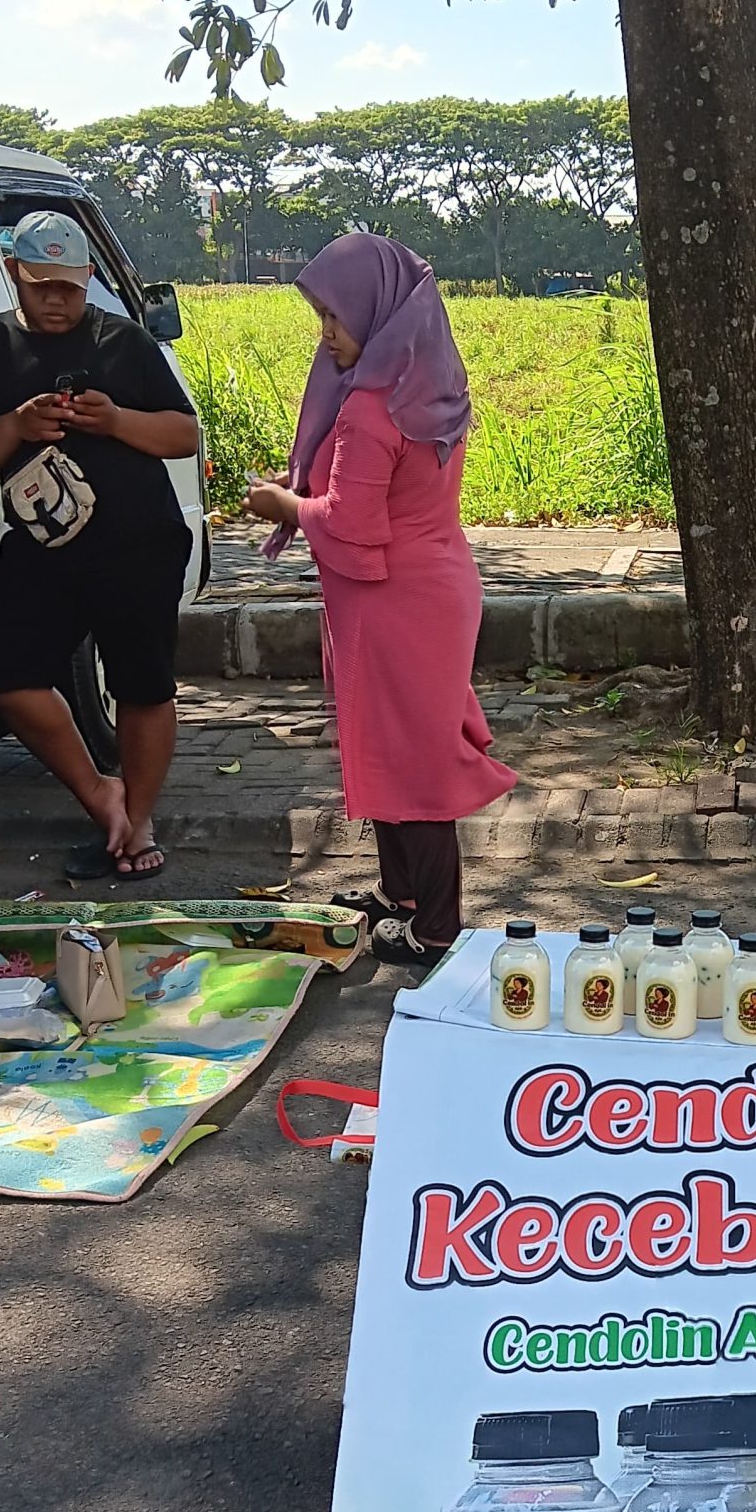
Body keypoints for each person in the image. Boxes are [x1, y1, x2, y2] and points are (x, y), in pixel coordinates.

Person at [243, 233, 515, 965]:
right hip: (433, 586)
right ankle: (401, 898)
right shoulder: (430, 383)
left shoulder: (369, 409)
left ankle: (435, 930)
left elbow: (350, 522)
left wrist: (284, 506)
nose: (326, 335)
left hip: (389, 598)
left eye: (335, 317)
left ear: (377, 310)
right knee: (396, 751)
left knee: (413, 766)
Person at [0, 211, 200, 884]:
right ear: (14, 276)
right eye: (40, 286)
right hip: (42, 545)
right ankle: (100, 794)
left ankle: (135, 823)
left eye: (68, 285)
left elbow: (183, 434)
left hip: (138, 542)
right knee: (5, 673)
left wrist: (117, 420)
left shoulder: (125, 342)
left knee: (142, 685)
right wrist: (19, 423)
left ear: (89, 278)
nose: (56, 300)